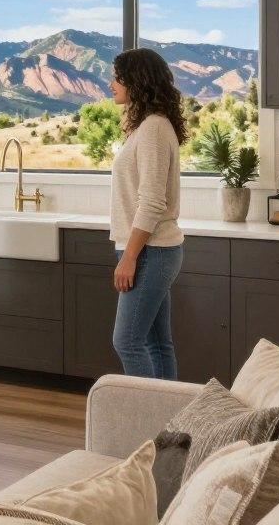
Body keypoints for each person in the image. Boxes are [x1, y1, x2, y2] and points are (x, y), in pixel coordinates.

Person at [108, 48, 185, 379]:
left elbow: (152, 201)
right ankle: (170, 425)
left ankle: (147, 420)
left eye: (117, 77)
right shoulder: (148, 126)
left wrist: (129, 257)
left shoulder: (153, 128)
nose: (111, 83)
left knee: (126, 341)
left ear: (136, 81)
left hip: (150, 251)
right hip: (154, 249)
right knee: (156, 344)